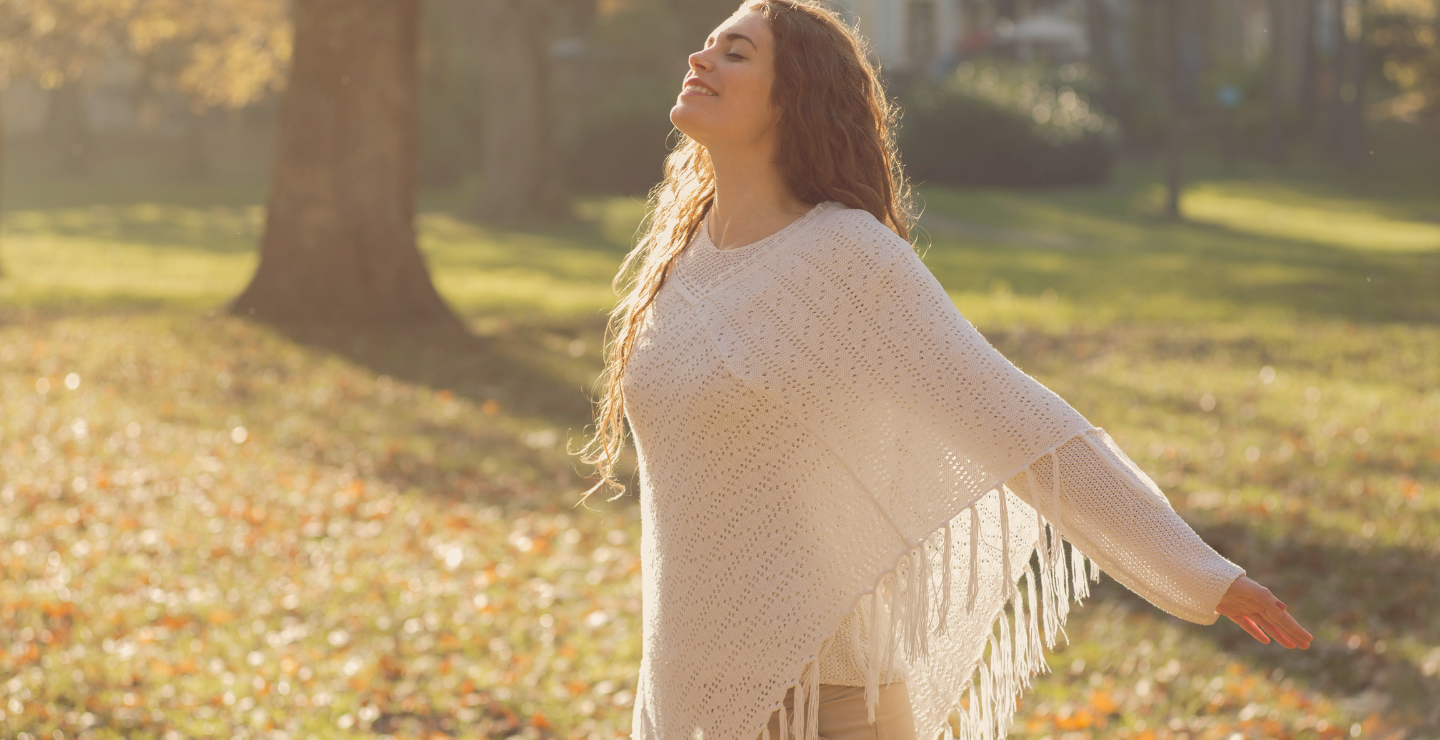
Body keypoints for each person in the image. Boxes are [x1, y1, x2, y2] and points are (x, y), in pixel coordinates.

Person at [578, 2, 1314, 739]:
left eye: (735, 53)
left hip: (827, 702)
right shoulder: (678, 259)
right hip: (684, 690)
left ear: (795, 92)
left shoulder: (847, 257)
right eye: (706, 47)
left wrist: (1197, 572)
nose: (700, 60)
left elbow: (1015, 417)